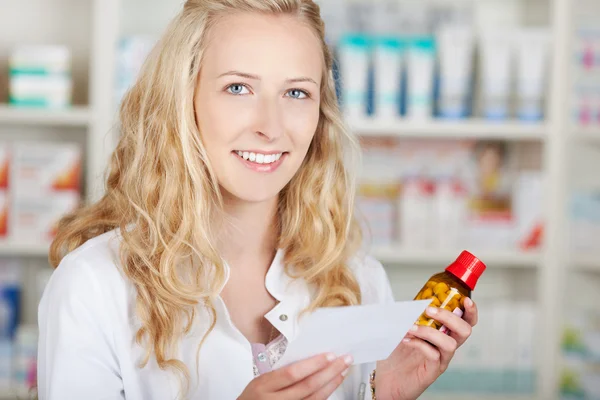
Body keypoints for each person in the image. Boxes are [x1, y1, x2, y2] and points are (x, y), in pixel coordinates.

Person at [37, 0, 478, 399]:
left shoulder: (356, 280)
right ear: (181, 100)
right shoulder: (94, 286)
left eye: (296, 93)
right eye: (238, 88)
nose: (271, 126)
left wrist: (381, 395)